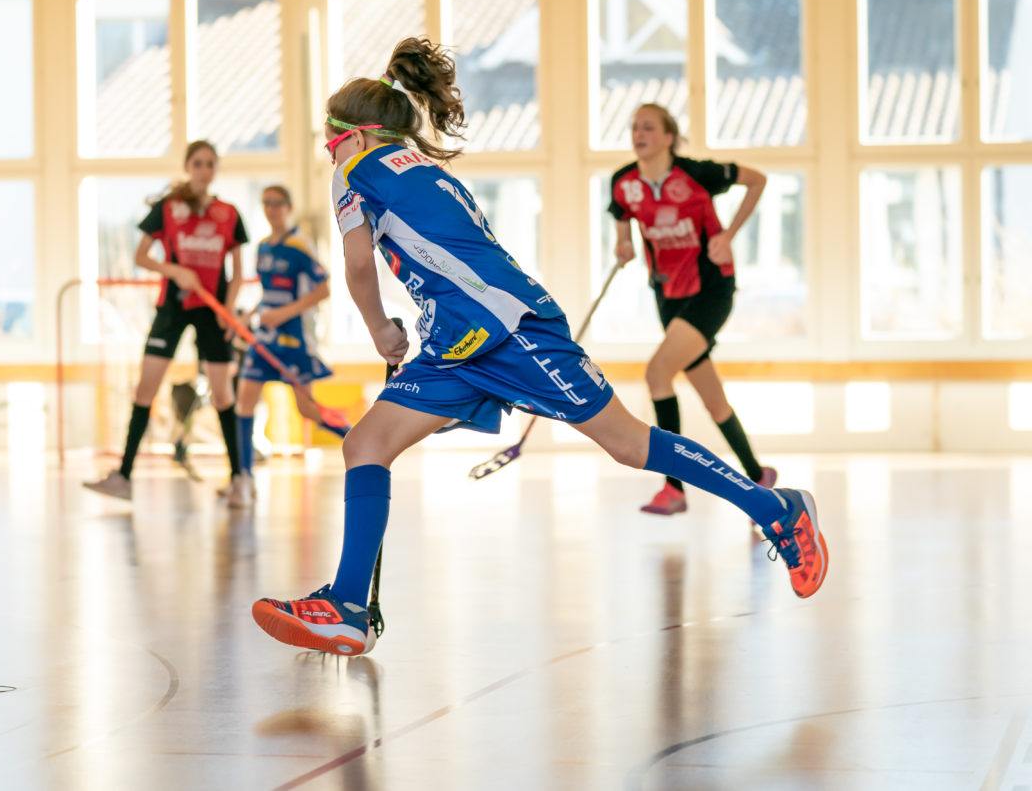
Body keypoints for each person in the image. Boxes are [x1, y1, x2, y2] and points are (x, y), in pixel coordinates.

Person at [250, 38, 828, 657]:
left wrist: (377, 329)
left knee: (628, 443)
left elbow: (359, 265)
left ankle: (777, 508)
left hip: (509, 331)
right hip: (456, 340)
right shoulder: (428, 171)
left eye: (332, 143)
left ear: (359, 135)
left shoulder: (356, 171)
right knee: (366, 444)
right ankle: (347, 607)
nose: (331, 154)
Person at [611, 104, 777, 516]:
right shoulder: (623, 183)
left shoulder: (698, 173)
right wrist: (623, 244)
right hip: (668, 295)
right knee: (712, 399)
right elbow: (623, 227)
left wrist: (729, 235)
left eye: (648, 127)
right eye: (635, 127)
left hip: (711, 290)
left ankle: (674, 487)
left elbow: (757, 180)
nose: (639, 133)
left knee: (658, 373)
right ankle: (758, 475)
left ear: (669, 137)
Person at [83, 140, 249, 505]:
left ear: (216, 169)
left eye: (210, 164)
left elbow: (237, 271)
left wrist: (228, 310)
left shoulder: (228, 213)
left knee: (223, 394)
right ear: (188, 166)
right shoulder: (169, 208)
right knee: (147, 387)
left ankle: (239, 480)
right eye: (198, 163)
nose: (204, 170)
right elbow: (141, 255)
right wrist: (174, 270)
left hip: (213, 311)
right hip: (173, 307)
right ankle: (123, 477)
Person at [228, 185, 348, 507]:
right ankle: (243, 479)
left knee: (306, 408)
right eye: (266, 203)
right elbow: (268, 293)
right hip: (264, 339)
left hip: (294, 338)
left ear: (289, 207)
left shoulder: (300, 244)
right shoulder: (263, 247)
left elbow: (323, 289)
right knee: (244, 400)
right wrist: (248, 316)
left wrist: (284, 313)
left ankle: (355, 438)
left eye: (277, 203)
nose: (271, 209)